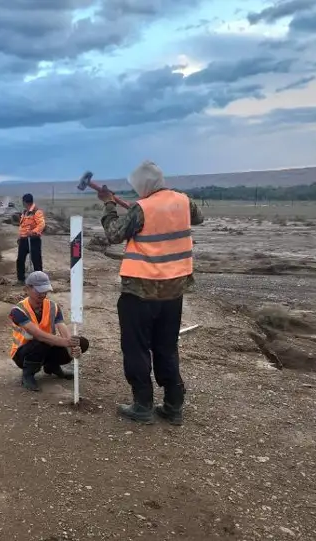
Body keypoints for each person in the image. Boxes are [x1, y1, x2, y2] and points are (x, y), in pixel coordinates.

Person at [98, 160, 204, 425]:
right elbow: (198, 218)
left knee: (136, 349)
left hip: (141, 292)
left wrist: (109, 204)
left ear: (144, 185)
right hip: (173, 291)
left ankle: (143, 405)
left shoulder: (141, 208)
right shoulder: (183, 201)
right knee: (167, 348)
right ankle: (173, 406)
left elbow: (113, 234)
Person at [9, 271, 90, 392]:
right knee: (41, 341)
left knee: (81, 342)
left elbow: (63, 330)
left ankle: (52, 366)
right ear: (27, 289)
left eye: (45, 290)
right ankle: (28, 374)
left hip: (46, 347)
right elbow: (38, 335)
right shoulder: (17, 311)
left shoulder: (53, 306)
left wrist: (73, 348)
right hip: (23, 354)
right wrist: (67, 343)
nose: (42, 294)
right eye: (38, 290)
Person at [16, 193, 45, 284]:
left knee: (36, 260)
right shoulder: (25, 212)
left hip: (33, 240)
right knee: (20, 260)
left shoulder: (37, 212)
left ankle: (39, 280)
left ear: (25, 202)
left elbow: (41, 224)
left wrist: (33, 232)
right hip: (24, 240)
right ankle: (21, 279)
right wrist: (20, 237)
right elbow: (22, 226)